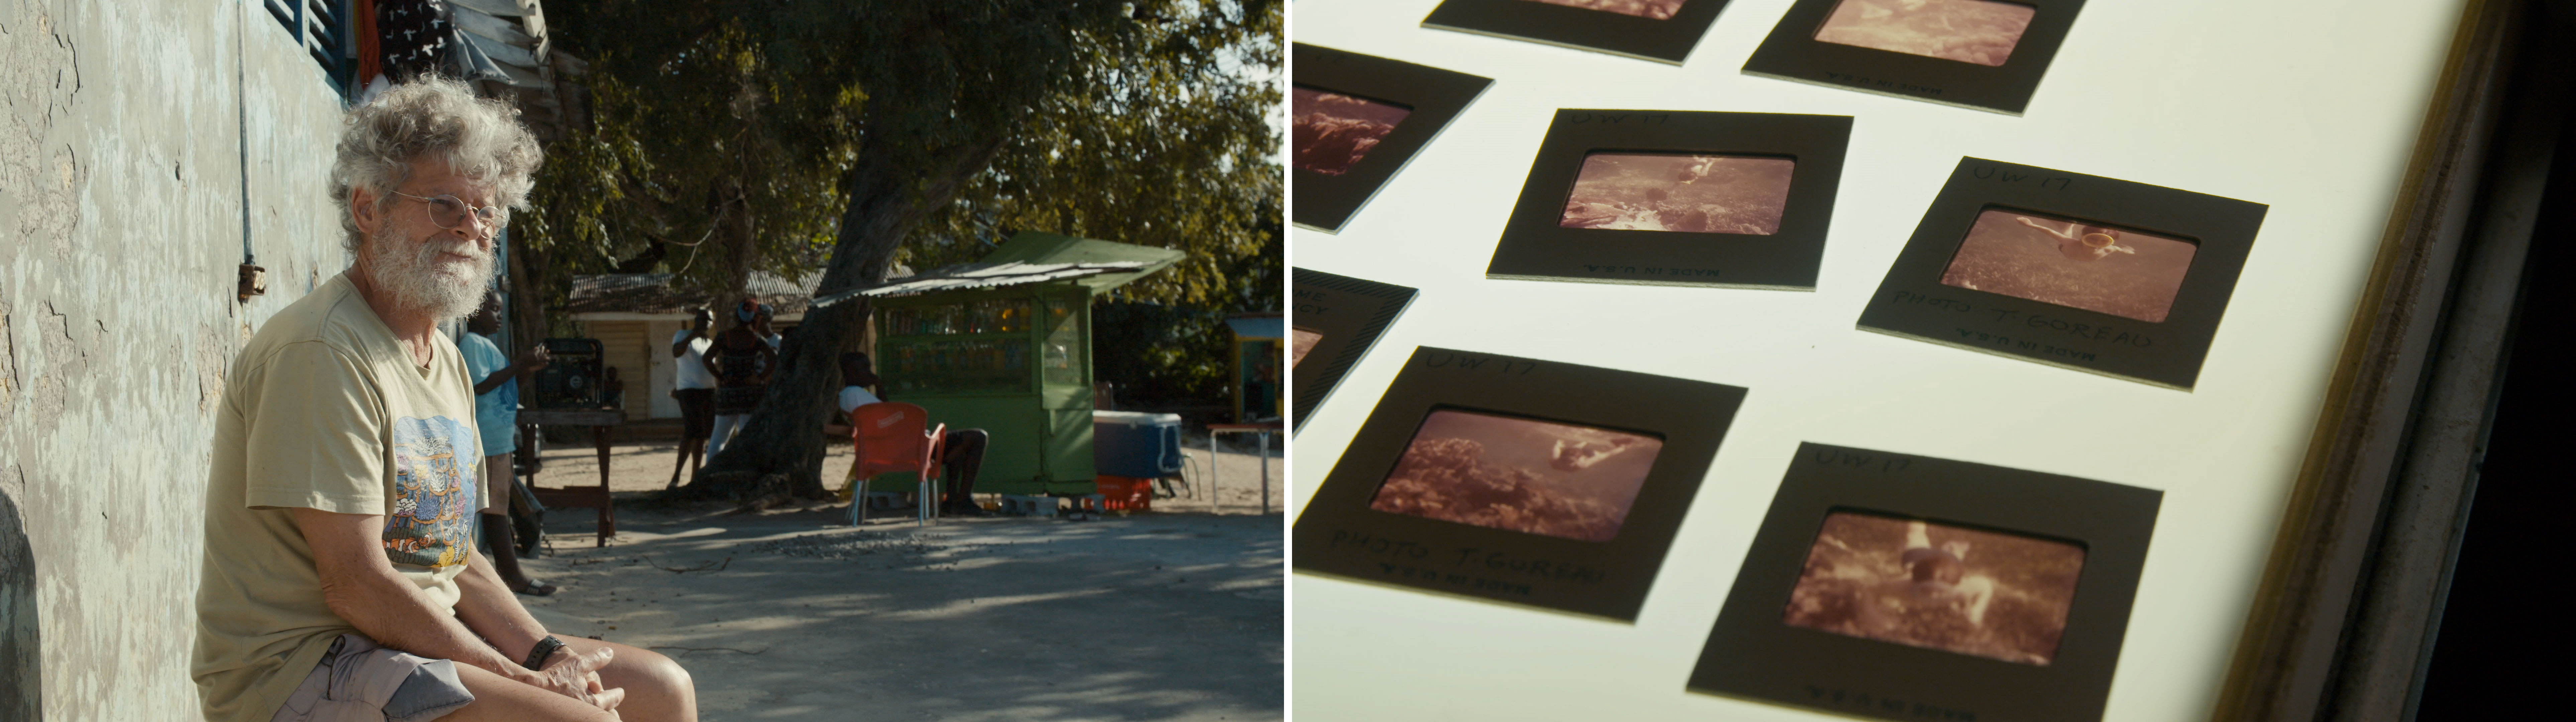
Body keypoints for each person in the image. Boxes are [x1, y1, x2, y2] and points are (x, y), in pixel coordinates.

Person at [192, 76, 694, 722]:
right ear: (367, 209)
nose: (471, 228)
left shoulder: (446, 360)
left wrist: (544, 656)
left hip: (406, 640)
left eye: (485, 210)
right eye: (444, 205)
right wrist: (521, 681)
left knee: (664, 688)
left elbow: (452, 561)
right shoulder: (323, 351)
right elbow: (356, 583)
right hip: (302, 664)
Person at [460, 291, 555, 597]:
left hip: (499, 440)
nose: (500, 316)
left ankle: (508, 573)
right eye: (494, 310)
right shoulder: (473, 344)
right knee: (496, 510)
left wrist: (527, 368)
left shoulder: (489, 346)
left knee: (498, 506)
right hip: (488, 441)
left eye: (501, 311)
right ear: (475, 311)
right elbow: (481, 386)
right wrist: (518, 364)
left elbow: (505, 387)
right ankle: (512, 575)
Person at [838, 352, 989, 517]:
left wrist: (879, 387)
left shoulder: (849, 396)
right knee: (978, 437)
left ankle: (954, 502)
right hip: (912, 447)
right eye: (864, 368)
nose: (870, 372)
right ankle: (962, 501)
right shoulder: (856, 394)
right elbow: (890, 418)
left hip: (899, 446)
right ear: (851, 371)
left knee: (960, 447)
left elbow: (885, 416)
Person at [705, 298, 777, 455]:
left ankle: (709, 474)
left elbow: (706, 359)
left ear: (737, 317)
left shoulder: (724, 337)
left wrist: (720, 377)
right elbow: (773, 359)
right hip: (749, 393)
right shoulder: (756, 339)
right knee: (747, 437)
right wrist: (760, 377)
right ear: (754, 318)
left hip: (728, 391)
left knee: (718, 439)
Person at [666, 308, 716, 490]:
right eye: (702, 319)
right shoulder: (682, 335)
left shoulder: (709, 343)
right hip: (689, 391)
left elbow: (707, 367)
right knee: (691, 432)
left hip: (708, 391)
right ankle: (676, 477)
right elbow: (677, 353)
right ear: (696, 320)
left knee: (702, 435)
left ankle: (695, 477)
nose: (705, 323)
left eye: (709, 320)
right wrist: (691, 337)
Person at [2015, 215, 2136, 262]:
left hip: (2071, 252)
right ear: (2083, 238)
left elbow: (2117, 248)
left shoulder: (2109, 249)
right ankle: (2070, 225)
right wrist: (2029, 225)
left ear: (2110, 243)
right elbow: (2050, 232)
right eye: (2092, 240)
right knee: (2066, 235)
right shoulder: (2071, 243)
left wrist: (2125, 251)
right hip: (2065, 249)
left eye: (2105, 242)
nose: (2097, 245)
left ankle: (2070, 225)